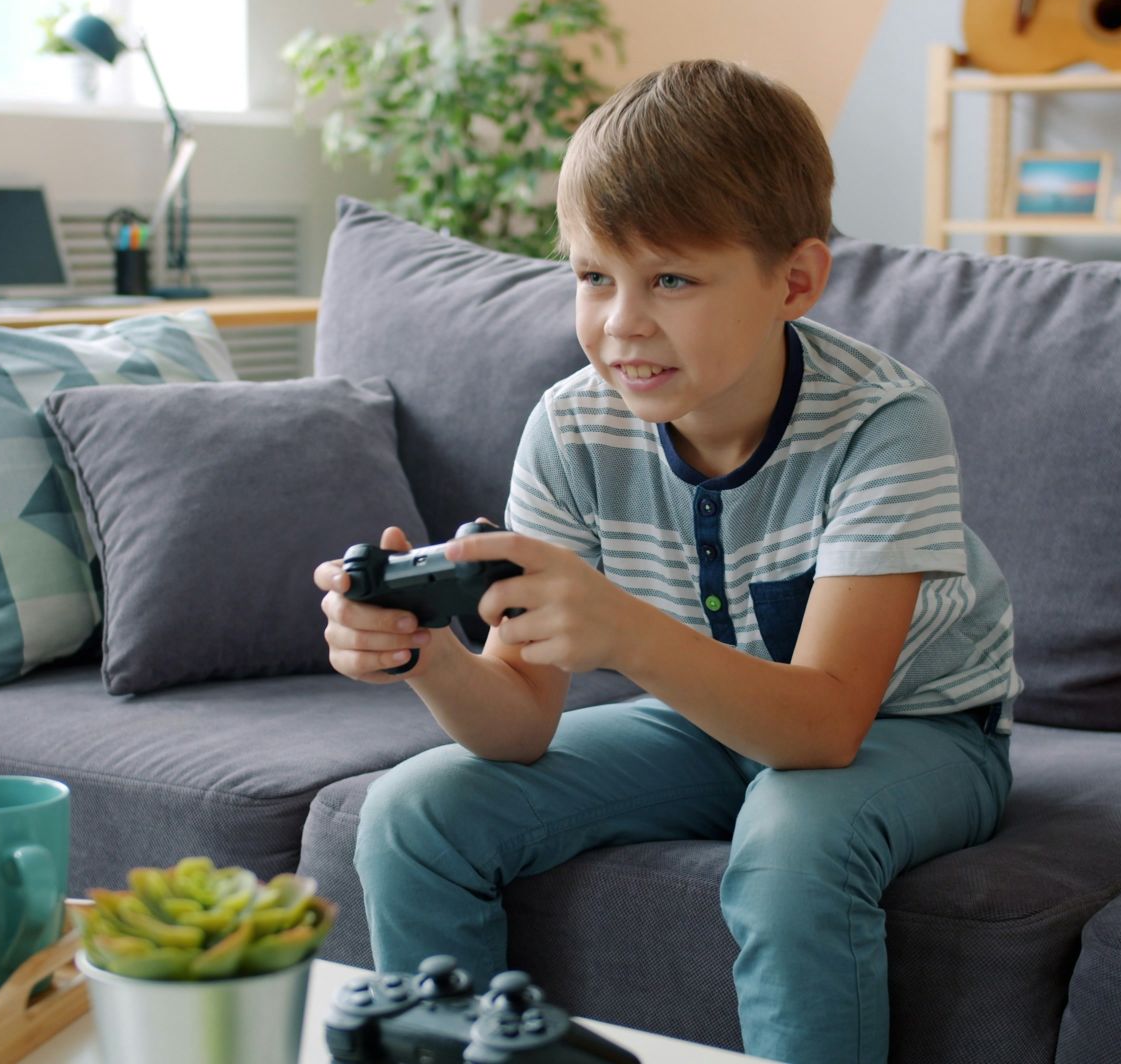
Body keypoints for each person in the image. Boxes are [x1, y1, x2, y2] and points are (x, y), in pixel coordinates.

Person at [311, 58, 1019, 1064]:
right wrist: (428, 655)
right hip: (704, 720)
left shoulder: (885, 424)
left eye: (672, 279)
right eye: (594, 276)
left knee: (792, 842)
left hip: (918, 730)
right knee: (414, 810)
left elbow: (820, 728)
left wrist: (622, 629)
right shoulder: (571, 429)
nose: (621, 323)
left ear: (798, 281)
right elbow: (518, 727)